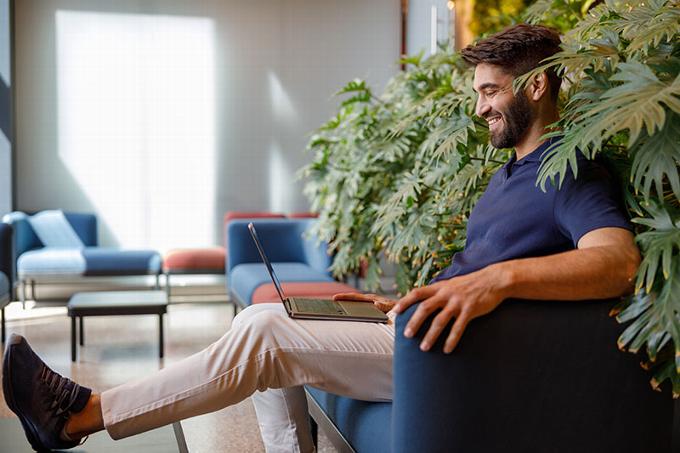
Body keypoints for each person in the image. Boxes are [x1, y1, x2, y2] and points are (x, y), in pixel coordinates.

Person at [2, 24, 640, 452]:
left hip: (453, 356)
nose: (479, 109)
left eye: (491, 92)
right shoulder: (512, 172)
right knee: (268, 312)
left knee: (266, 335)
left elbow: (615, 261)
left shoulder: (571, 170)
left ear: (535, 86)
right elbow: (489, 258)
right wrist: (410, 298)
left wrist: (496, 281)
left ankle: (83, 415)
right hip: (415, 328)